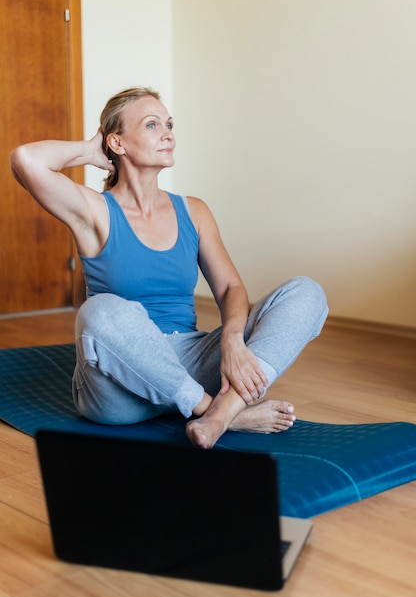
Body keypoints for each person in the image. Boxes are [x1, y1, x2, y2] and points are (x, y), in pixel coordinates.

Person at [10, 86, 328, 449]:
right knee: (99, 310)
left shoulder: (193, 211)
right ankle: (223, 414)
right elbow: (25, 160)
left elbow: (230, 290)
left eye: (169, 124)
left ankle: (221, 413)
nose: (168, 133)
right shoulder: (95, 211)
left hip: (191, 360)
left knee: (306, 292)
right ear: (117, 143)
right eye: (151, 124)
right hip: (119, 387)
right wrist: (90, 150)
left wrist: (232, 340)